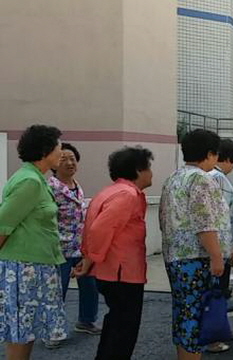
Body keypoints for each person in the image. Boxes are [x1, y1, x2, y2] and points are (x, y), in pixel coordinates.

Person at [159, 129, 233, 360]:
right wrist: (217, 256)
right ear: (210, 154)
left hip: (176, 256)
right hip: (196, 258)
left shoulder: (173, 178)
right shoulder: (202, 179)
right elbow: (205, 222)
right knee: (197, 315)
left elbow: (163, 218)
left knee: (184, 312)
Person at [76, 146, 154, 360]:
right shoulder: (127, 195)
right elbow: (100, 229)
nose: (151, 173)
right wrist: (90, 259)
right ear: (138, 170)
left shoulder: (109, 192)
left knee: (116, 324)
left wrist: (89, 258)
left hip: (112, 271)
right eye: (148, 167)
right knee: (124, 329)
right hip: (122, 272)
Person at [0, 125, 66, 360]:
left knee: (26, 331)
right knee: (20, 332)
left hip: (34, 267)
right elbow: (3, 224)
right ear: (45, 150)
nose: (62, 152)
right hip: (24, 268)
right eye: (59, 147)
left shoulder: (36, 178)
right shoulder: (30, 181)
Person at [47, 142, 100, 347]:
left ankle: (86, 321)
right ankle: (52, 331)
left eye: (72, 159)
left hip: (81, 247)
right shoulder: (50, 187)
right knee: (56, 291)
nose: (70, 163)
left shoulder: (76, 185)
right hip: (58, 248)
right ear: (54, 163)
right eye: (64, 159)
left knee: (90, 285)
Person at [206, 138, 233, 353]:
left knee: (217, 291)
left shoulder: (207, 176)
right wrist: (227, 247)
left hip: (215, 245)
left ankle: (222, 330)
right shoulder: (218, 179)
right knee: (217, 292)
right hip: (219, 247)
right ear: (228, 159)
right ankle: (213, 337)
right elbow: (221, 218)